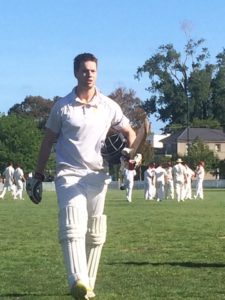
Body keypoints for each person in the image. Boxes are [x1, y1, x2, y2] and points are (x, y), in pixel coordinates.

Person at [28, 53, 137, 300]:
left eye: (93, 71)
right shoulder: (63, 106)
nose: (89, 75)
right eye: (85, 70)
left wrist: (132, 154)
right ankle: (77, 280)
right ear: (76, 72)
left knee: (95, 231)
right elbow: (47, 142)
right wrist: (37, 174)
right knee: (73, 223)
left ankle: (88, 287)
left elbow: (130, 132)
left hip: (98, 175)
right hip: (69, 173)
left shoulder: (109, 105)